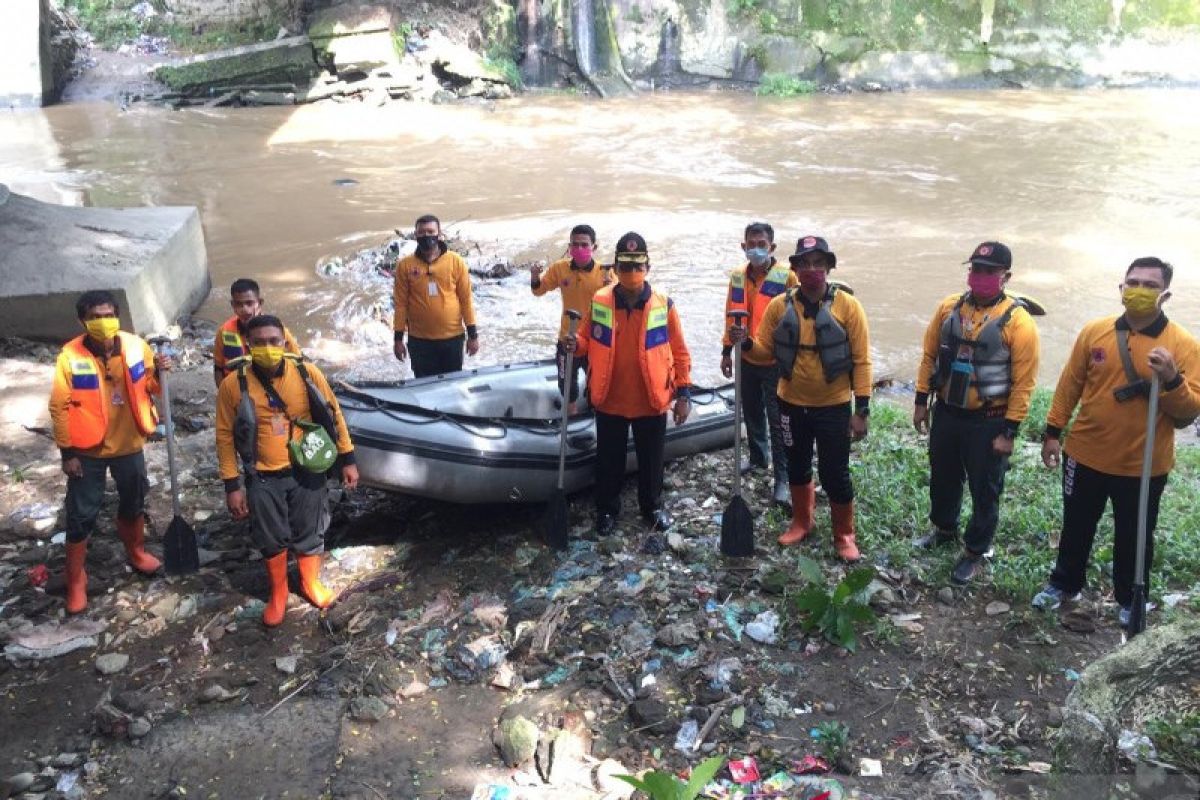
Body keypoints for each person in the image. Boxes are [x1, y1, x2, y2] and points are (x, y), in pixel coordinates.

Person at [1033, 257, 1200, 627]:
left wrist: (1172, 378)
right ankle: (1064, 584)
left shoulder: (1183, 345)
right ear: (1121, 287)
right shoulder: (1095, 332)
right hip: (1085, 453)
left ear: (1166, 294)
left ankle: (1130, 597)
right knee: (1076, 524)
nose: (1139, 291)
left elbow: (1190, 409)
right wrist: (1052, 432)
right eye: (1133, 282)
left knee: (1135, 534)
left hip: (1143, 464)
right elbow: (1069, 384)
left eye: (1150, 286)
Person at [731, 236, 871, 561]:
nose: (811, 270)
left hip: (833, 405)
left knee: (835, 472)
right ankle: (801, 521)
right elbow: (766, 350)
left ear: (828, 268)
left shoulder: (848, 307)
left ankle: (844, 535)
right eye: (804, 263)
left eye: (818, 263)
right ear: (794, 268)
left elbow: (862, 360)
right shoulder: (780, 306)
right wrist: (747, 343)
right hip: (790, 403)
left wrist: (861, 409)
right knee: (796, 463)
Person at [215, 315, 359, 627]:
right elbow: (225, 436)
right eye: (259, 342)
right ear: (249, 345)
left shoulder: (307, 372)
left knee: (311, 529)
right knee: (270, 537)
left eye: (273, 341)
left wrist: (347, 459)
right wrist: (232, 485)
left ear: (284, 342)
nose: (267, 348)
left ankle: (310, 583)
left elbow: (334, 415)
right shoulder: (233, 385)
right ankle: (278, 593)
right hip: (263, 475)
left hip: (307, 467)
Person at [913, 242, 1040, 585]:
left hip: (989, 419)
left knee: (986, 488)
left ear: (1005, 276)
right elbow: (929, 357)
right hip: (949, 411)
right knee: (943, 475)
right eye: (976, 269)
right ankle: (944, 528)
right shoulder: (948, 309)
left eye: (989, 271)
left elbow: (1024, 383)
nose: (980, 276)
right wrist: (921, 401)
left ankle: (975, 551)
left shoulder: (1018, 323)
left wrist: (1009, 431)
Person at [49, 290, 172, 614]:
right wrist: (67, 453)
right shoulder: (70, 356)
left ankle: (136, 552)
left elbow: (152, 387)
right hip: (87, 450)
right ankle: (76, 579)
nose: (103, 322)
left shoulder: (135, 346)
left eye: (108, 315)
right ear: (82, 321)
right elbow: (58, 407)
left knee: (133, 501)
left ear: (117, 317)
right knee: (81, 513)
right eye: (94, 317)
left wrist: (159, 372)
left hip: (129, 443)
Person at [565, 232, 691, 536]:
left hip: (651, 398)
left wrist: (684, 392)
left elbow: (680, 351)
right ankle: (607, 510)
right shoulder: (600, 301)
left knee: (651, 461)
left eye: (637, 266)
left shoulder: (664, 304)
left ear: (647, 266)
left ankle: (652, 507)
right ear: (615, 268)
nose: (631, 272)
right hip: (610, 397)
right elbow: (585, 339)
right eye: (625, 266)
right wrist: (574, 344)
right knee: (609, 460)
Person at [720, 221, 797, 508]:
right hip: (745, 355)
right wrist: (726, 351)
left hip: (775, 360)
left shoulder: (787, 278)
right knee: (751, 411)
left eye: (761, 245)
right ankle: (757, 458)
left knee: (778, 421)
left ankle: (782, 478)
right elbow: (731, 315)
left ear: (772, 247)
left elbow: (797, 321)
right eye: (751, 244)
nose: (755, 249)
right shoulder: (738, 276)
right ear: (743, 246)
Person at [530, 224, 612, 408]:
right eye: (575, 245)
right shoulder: (560, 269)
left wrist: (611, 289)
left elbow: (618, 307)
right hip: (567, 337)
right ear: (569, 247)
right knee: (567, 387)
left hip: (595, 341)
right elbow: (539, 290)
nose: (579, 249)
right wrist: (535, 276)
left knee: (597, 387)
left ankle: (595, 420)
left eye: (584, 245)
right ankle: (571, 415)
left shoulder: (605, 273)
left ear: (594, 247)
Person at [392, 214, 480, 377]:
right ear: (415, 235)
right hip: (419, 341)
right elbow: (400, 304)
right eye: (422, 232)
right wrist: (398, 339)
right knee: (424, 386)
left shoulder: (456, 262)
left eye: (430, 231)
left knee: (452, 385)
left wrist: (473, 336)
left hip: (452, 338)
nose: (426, 236)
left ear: (439, 234)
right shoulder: (405, 266)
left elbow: (466, 300)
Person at [213, 278, 301, 387]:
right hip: (235, 388)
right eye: (238, 304)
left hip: (271, 388)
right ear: (233, 305)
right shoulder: (224, 331)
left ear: (260, 303)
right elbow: (218, 368)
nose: (244, 309)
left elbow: (297, 363)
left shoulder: (278, 331)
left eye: (249, 303)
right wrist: (223, 392)